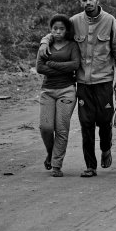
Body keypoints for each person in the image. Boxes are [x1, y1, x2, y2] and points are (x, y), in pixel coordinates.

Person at [38, 0, 116, 177]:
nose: (87, 3)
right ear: (81, 3)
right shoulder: (74, 22)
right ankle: (90, 166)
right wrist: (45, 41)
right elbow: (56, 31)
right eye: (84, 0)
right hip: (82, 83)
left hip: (104, 81)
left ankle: (106, 148)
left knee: (104, 121)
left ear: (97, 0)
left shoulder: (110, 21)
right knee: (86, 124)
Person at [36, 14, 80, 177]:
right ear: (51, 30)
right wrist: (63, 67)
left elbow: (75, 65)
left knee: (62, 129)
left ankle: (56, 165)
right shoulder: (45, 46)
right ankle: (50, 153)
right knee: (46, 127)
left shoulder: (72, 46)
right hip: (47, 91)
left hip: (67, 90)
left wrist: (53, 64)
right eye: (55, 28)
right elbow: (39, 67)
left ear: (67, 30)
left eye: (61, 29)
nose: (58, 31)